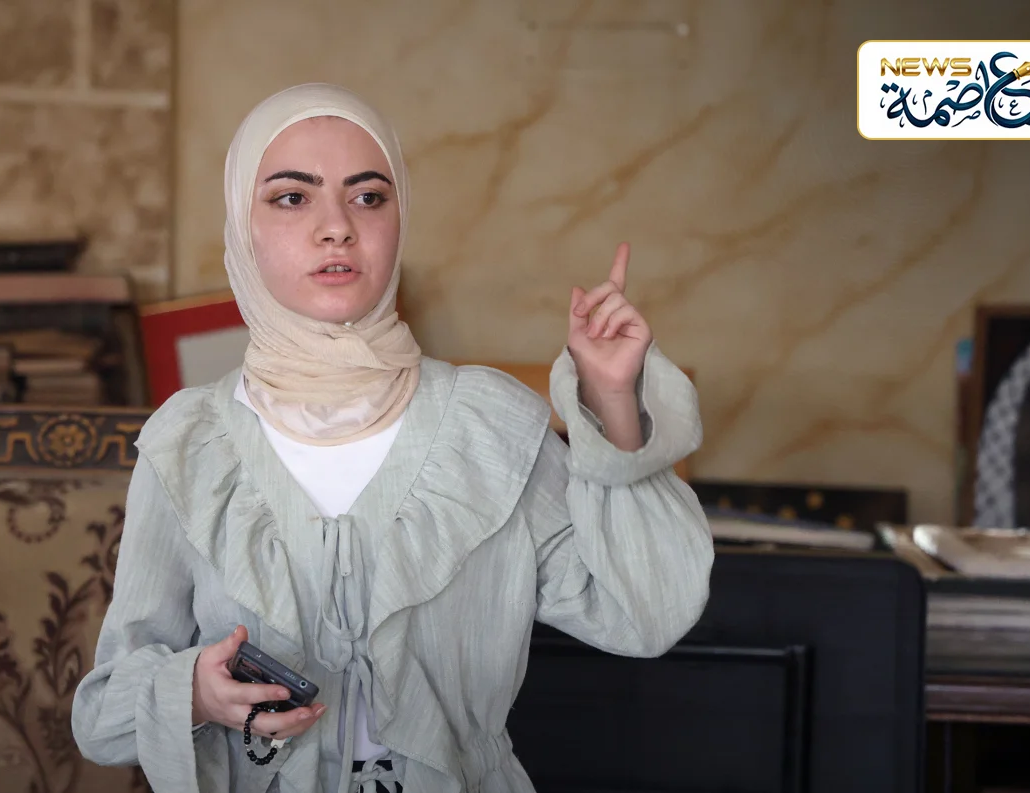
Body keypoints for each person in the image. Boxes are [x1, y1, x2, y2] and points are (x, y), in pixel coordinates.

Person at [72, 83, 714, 793]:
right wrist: (193, 690)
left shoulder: (489, 425)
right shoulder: (190, 443)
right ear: (241, 227)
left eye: (369, 196)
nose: (337, 227)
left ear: (399, 220)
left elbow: (642, 615)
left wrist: (614, 399)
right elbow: (101, 719)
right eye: (292, 197)